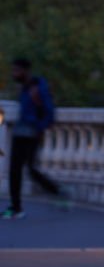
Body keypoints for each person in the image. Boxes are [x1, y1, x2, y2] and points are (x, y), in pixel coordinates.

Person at [1, 57, 67, 219]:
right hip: (20, 132)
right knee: (15, 171)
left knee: (31, 170)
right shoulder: (24, 88)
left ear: (25, 71)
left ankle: (58, 191)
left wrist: (39, 128)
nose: (14, 74)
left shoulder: (38, 87)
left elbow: (49, 112)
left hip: (32, 134)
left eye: (16, 70)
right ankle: (16, 207)